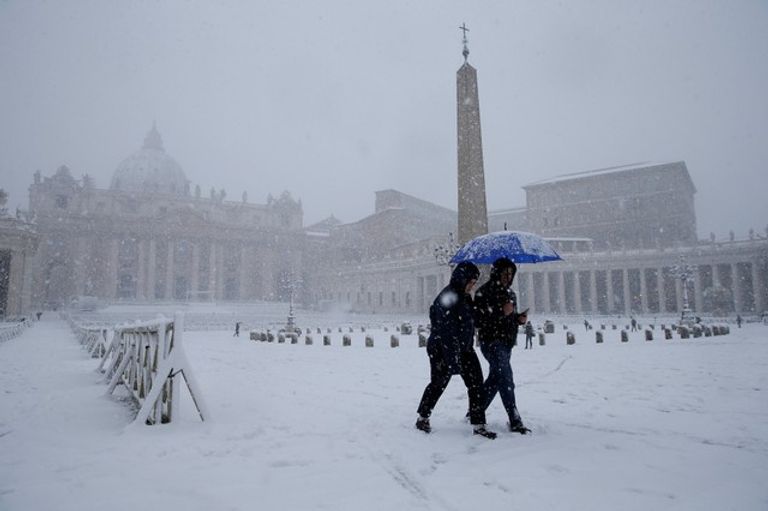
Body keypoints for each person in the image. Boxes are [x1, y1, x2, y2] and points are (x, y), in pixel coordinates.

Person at [415, 261, 496, 439]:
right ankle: (423, 417)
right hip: (441, 349)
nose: (472, 286)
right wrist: (454, 361)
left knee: (476, 383)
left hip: (464, 348)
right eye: (471, 282)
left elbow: (473, 320)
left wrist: (487, 312)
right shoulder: (447, 298)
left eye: (474, 283)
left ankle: (479, 424)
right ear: (462, 279)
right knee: (438, 383)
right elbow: (445, 331)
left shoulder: (465, 297)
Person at [474, 257, 531, 434]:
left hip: (506, 343)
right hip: (491, 342)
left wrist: (518, 319)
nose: (508, 276)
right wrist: (501, 312)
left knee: (495, 379)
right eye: (504, 273)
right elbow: (480, 320)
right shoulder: (484, 292)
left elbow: (509, 318)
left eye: (510, 273)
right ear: (496, 273)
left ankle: (476, 410)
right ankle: (514, 418)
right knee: (506, 377)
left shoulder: (510, 293)